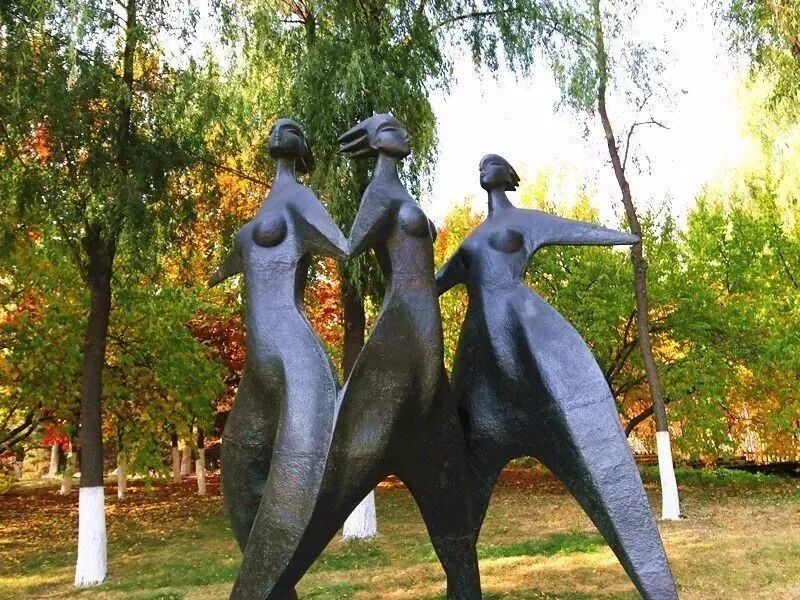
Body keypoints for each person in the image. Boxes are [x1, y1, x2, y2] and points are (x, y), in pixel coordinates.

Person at [232, 114, 482, 600]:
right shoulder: (379, 193)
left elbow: (414, 269)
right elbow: (348, 247)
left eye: (400, 129)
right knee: (337, 480)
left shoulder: (397, 194)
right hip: (400, 332)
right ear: (375, 141)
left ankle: (465, 587)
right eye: (390, 128)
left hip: (425, 341)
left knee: (447, 480)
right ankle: (270, 581)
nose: (402, 133)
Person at [436, 153, 679, 600]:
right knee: (462, 487)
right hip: (479, 357)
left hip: (523, 328)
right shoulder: (472, 238)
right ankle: (461, 589)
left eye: (493, 163)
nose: (484, 168)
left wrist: (623, 237)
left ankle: (656, 586)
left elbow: (573, 229)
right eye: (481, 165)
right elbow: (433, 283)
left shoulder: (525, 221)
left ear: (508, 176)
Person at [210, 118, 347, 600]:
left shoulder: (299, 199)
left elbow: (341, 245)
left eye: (288, 129)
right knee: (238, 466)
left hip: (293, 352)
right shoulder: (266, 207)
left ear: (301, 147)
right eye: (273, 128)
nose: (276, 132)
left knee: (296, 471)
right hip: (259, 361)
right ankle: (275, 590)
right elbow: (225, 268)